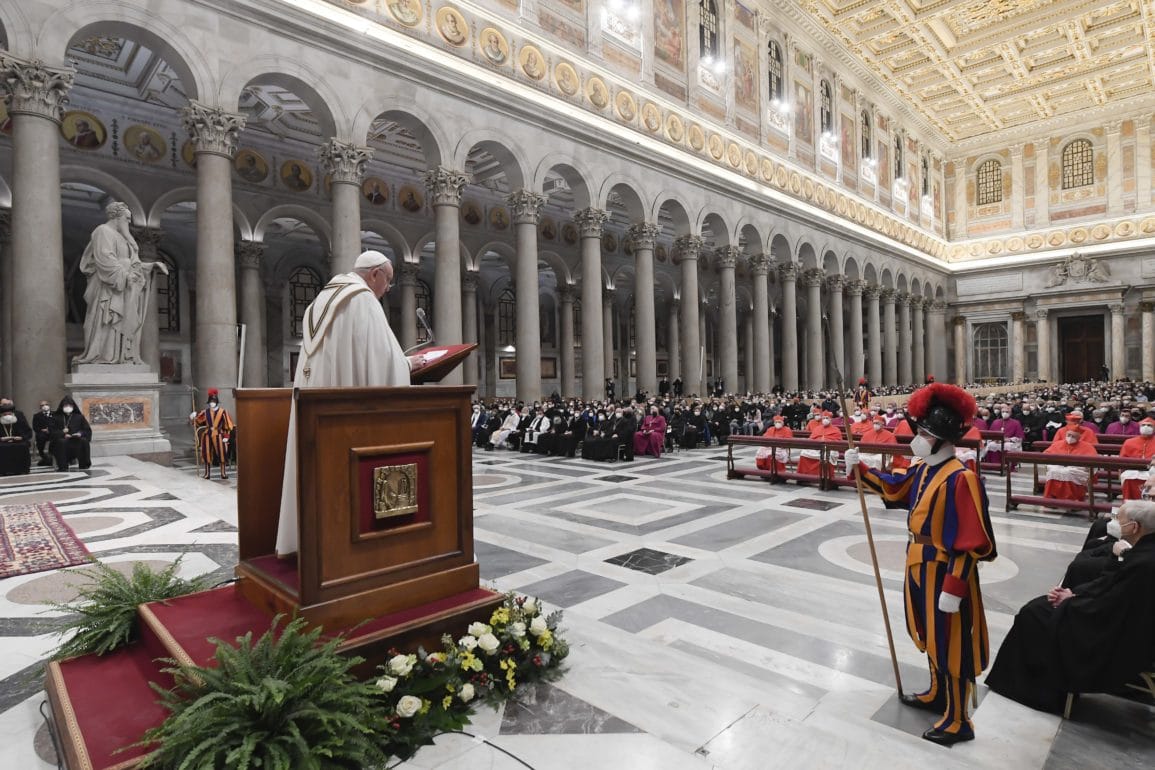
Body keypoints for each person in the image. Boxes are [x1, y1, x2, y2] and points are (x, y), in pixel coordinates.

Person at [848, 383, 997, 746]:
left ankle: (959, 719)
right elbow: (896, 489)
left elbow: (971, 542)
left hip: (945, 571)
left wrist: (955, 587)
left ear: (942, 440)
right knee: (930, 635)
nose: (918, 438)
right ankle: (937, 692)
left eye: (925, 434)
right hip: (918, 564)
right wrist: (862, 470)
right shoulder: (925, 468)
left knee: (952, 642)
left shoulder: (961, 478)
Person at [275, 251, 426, 556]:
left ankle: (312, 542)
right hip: (348, 418)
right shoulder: (362, 299)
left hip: (318, 409)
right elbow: (383, 362)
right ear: (374, 275)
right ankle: (349, 548)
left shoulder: (321, 300)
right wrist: (409, 366)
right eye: (388, 282)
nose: (386, 290)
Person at [985, 501, 1155, 715]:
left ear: (1135, 527)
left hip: (1115, 637)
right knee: (1038, 608)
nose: (1114, 524)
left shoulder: (1144, 563)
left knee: (1033, 614)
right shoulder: (1144, 552)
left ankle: (1033, 689)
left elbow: (1108, 607)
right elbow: (1110, 588)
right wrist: (1075, 594)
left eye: (1119, 520)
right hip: (1115, 620)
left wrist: (1071, 602)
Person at [74, 202, 168, 365]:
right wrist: (125, 275)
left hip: (123, 288)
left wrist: (151, 265)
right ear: (116, 217)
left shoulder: (124, 239)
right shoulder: (102, 231)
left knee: (124, 323)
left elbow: (132, 264)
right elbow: (105, 259)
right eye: (126, 218)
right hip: (108, 289)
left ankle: (123, 356)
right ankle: (103, 355)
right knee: (108, 323)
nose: (128, 222)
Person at [1042, 421, 1100, 502]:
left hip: (1078, 469)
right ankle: (1051, 498)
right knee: (1053, 471)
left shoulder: (1087, 446)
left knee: (1068, 472)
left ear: (1078, 437)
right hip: (1059, 467)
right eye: (1068, 435)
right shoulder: (1058, 444)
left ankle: (1072, 499)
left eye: (1073, 436)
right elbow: (1046, 455)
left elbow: (1093, 462)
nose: (1070, 438)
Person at [191, 389, 234, 480]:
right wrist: (193, 417)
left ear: (217, 402)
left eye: (213, 401)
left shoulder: (223, 412)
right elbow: (198, 422)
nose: (212, 403)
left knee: (222, 453)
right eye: (210, 401)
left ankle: (223, 472)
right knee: (206, 453)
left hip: (219, 434)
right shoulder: (205, 412)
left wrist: (226, 437)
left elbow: (228, 425)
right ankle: (207, 473)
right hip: (207, 434)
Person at [796, 411, 841, 480]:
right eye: (824, 418)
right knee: (803, 453)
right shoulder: (817, 428)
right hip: (816, 447)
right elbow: (811, 439)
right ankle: (803, 476)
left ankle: (824, 477)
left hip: (829, 449)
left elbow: (838, 442)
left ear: (830, 419)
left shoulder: (836, 430)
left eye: (827, 418)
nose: (825, 419)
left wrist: (826, 440)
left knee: (826, 456)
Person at [51, 397, 92, 472]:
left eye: (70, 405)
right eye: (65, 405)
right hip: (62, 440)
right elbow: (52, 431)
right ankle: (63, 466)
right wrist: (63, 434)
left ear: (73, 406)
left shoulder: (79, 417)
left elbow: (86, 429)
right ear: (62, 406)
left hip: (76, 439)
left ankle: (84, 464)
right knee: (62, 442)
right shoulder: (56, 417)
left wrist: (80, 433)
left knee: (84, 441)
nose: (68, 407)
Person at [1118, 417, 1155, 499]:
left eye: (1149, 425)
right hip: (1133, 470)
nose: (1146, 427)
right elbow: (1122, 460)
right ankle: (1129, 503)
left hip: (1152, 471)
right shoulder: (1129, 442)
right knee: (1127, 478)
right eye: (1143, 425)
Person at [0, 399, 33, 476]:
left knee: (23, 446)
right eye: (5, 414)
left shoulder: (19, 417)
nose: (7, 416)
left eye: (9, 414)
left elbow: (28, 432)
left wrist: (21, 437)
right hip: (2, 442)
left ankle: (22, 469)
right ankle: (3, 470)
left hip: (18, 441)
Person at [32, 400, 59, 467]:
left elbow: (59, 425)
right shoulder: (37, 416)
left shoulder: (56, 414)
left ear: (49, 405)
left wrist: (50, 430)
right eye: (42, 405)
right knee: (40, 437)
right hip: (42, 434)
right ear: (40, 407)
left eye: (46, 404)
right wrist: (43, 430)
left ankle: (53, 456)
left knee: (57, 437)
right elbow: (35, 427)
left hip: (53, 433)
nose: (44, 406)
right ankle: (43, 455)